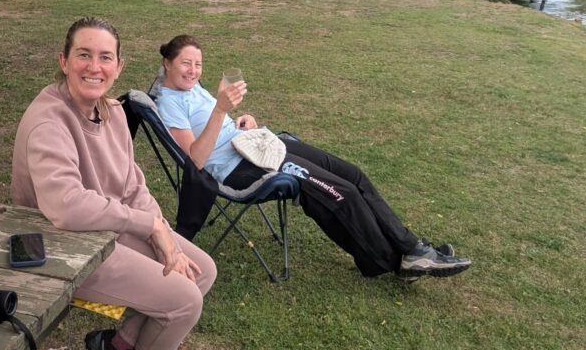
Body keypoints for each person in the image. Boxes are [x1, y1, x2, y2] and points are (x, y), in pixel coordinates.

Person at [11, 18, 216, 350]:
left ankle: (116, 347)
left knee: (200, 270)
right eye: (83, 55)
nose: (94, 67)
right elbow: (66, 206)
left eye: (105, 58)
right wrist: (147, 226)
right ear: (64, 61)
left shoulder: (114, 112)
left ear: (119, 66)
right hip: (58, 241)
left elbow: (133, 185)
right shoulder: (49, 120)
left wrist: (163, 235)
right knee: (185, 301)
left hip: (105, 227)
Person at [154, 34, 472, 282]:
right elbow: (194, 160)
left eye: (198, 64)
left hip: (255, 144)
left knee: (353, 174)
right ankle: (392, 260)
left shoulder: (192, 90)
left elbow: (215, 124)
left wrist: (240, 120)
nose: (193, 71)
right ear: (168, 63)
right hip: (240, 168)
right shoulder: (170, 102)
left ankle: (412, 248)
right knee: (339, 192)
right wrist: (222, 109)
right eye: (185, 63)